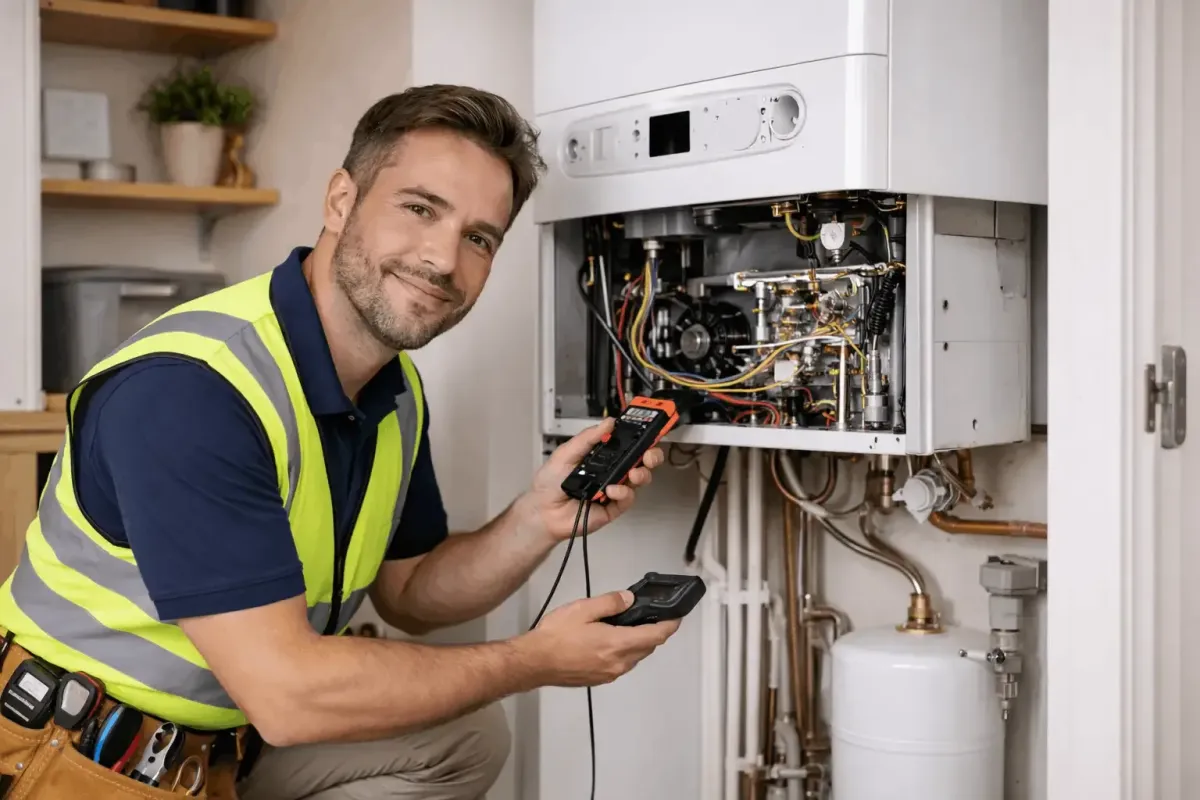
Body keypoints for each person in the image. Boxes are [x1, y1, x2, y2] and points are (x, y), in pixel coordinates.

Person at [0, 84, 679, 799]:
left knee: (464, 739)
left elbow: (410, 592)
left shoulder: (393, 389)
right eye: (420, 209)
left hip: (225, 741)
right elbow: (290, 694)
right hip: (70, 756)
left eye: (480, 238)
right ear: (340, 202)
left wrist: (537, 519)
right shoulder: (191, 391)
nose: (444, 260)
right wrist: (532, 660)